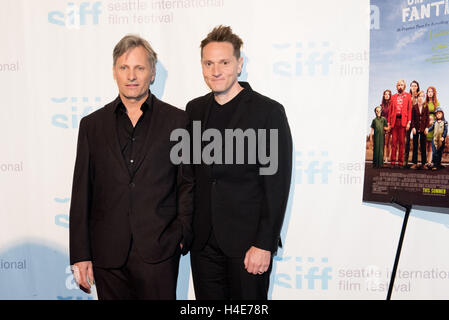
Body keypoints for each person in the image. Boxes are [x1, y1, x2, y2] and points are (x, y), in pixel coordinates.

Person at [69, 34, 193, 300]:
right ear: (114, 71)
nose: (131, 75)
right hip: (107, 254)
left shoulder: (178, 121)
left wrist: (182, 233)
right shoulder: (92, 126)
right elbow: (82, 192)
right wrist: (80, 254)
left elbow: (187, 183)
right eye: (124, 67)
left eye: (139, 67)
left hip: (160, 250)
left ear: (152, 73)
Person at [185, 25, 292, 300]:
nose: (216, 70)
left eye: (224, 62)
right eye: (208, 63)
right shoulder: (194, 110)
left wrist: (264, 243)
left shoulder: (267, 112)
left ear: (239, 64)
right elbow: (189, 176)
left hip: (248, 246)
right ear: (202, 66)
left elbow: (276, 185)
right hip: (203, 244)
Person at [388, 80, 412, 168]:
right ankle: (393, 162)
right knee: (394, 142)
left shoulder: (408, 96)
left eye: (401, 85)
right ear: (396, 87)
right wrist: (389, 123)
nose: (400, 86)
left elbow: (409, 110)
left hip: (403, 121)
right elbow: (390, 110)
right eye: (398, 85)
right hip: (394, 122)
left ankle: (401, 162)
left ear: (404, 86)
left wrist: (409, 122)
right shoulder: (393, 97)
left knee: (402, 143)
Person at [410, 91, 429, 169]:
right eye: (419, 96)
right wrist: (413, 127)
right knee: (415, 146)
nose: (421, 98)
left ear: (424, 98)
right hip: (416, 129)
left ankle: (424, 163)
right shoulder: (414, 107)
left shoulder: (426, 106)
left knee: (423, 146)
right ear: (417, 97)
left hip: (423, 129)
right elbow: (412, 118)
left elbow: (427, 118)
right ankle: (414, 163)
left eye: (422, 96)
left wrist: (427, 127)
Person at [404, 80, 420, 166]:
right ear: (410, 87)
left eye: (415, 86)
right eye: (412, 86)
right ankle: (405, 160)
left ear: (417, 87)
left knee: (415, 142)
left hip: (416, 123)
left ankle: (414, 162)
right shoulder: (407, 96)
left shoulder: (419, 97)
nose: (413, 87)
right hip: (408, 122)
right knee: (406, 141)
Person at [425, 86, 440, 167]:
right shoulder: (425, 103)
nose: (430, 93)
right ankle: (425, 160)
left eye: (431, 92)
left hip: (433, 125)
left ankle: (429, 161)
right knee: (425, 143)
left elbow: (439, 115)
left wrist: (433, 121)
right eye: (428, 92)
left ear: (433, 93)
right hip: (426, 125)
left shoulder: (436, 103)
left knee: (431, 144)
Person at [380, 90, 392, 163]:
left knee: (387, 142)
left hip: (389, 125)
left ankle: (387, 158)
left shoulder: (392, 105)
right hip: (382, 125)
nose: (387, 95)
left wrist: (389, 125)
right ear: (384, 96)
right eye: (385, 94)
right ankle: (381, 157)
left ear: (390, 96)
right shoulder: (381, 106)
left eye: (388, 94)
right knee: (382, 142)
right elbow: (380, 116)